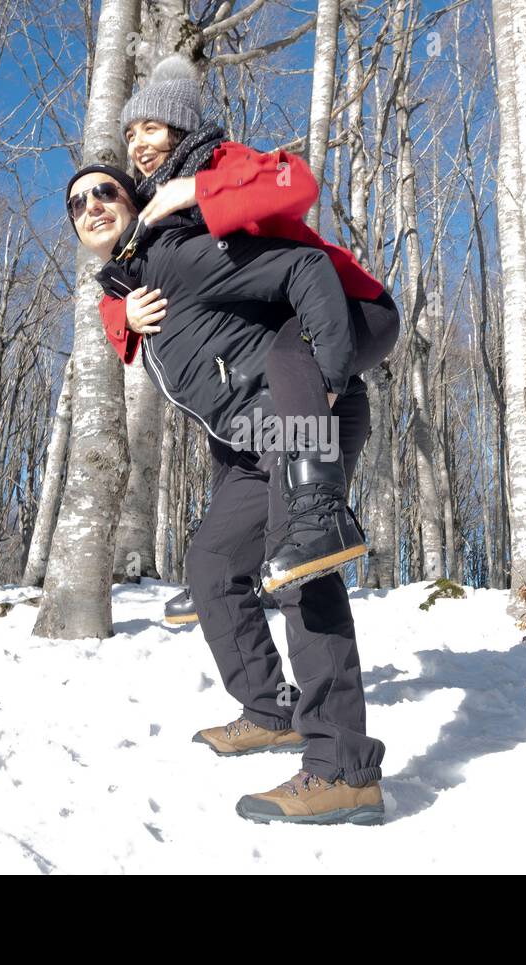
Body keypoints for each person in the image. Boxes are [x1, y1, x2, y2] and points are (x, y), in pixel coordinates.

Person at [68, 163, 387, 824]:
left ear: (138, 203)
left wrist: (326, 379)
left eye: (107, 191)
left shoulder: (177, 254)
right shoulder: (134, 289)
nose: (92, 204)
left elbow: (304, 268)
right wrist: (121, 310)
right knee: (212, 565)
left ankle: (344, 768)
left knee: (300, 565)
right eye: (77, 202)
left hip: (306, 415)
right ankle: (271, 708)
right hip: (253, 446)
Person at [106, 54, 400, 597]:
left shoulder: (222, 160)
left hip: (353, 306)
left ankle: (321, 518)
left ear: (180, 128)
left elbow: (298, 183)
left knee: (291, 360)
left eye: (150, 127)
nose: (138, 144)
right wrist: (121, 315)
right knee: (230, 440)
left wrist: (202, 189)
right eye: (130, 133)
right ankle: (223, 574)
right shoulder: (151, 216)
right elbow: (125, 281)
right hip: (288, 326)